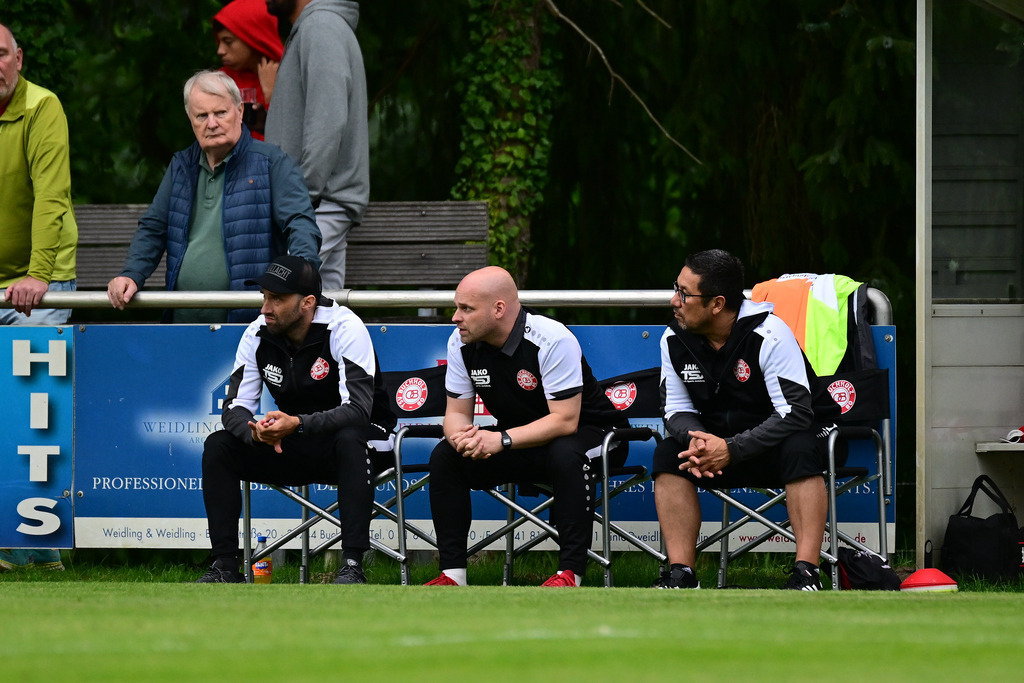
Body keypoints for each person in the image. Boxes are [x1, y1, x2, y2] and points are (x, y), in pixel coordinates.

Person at [197, 254, 396, 584]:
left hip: (363, 444)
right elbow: (233, 407)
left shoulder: (345, 327)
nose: (265, 308)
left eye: (276, 298)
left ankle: (352, 564)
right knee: (219, 445)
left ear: (307, 302)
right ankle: (225, 565)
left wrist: (298, 423)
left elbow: (359, 410)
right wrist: (256, 433)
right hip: (296, 442)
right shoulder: (258, 333)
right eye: (264, 297)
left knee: (350, 437)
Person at [424, 267, 627, 588]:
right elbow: (456, 414)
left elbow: (565, 420)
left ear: (499, 309)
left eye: (466, 309)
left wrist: (499, 440)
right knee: (446, 456)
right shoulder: (460, 341)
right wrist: (462, 438)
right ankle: (453, 575)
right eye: (456, 307)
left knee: (565, 451)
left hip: (597, 437)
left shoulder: (552, 339)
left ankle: (569, 574)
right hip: (520, 440)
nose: (455, 318)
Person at [651, 249, 829, 591]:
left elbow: (795, 412)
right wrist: (698, 440)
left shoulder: (770, 333)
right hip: (717, 449)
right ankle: (681, 574)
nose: (675, 300)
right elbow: (673, 408)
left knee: (800, 448)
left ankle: (807, 573)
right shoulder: (674, 338)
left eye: (685, 294)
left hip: (781, 442)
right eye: (676, 288)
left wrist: (732, 448)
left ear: (717, 304)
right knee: (667, 454)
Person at [106, 69, 322, 324]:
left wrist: (298, 278)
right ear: (190, 120)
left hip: (250, 324)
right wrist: (132, 274)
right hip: (182, 319)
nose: (212, 123)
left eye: (220, 112)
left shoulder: (272, 162)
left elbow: (300, 224)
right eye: (202, 115)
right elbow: (153, 229)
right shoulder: (181, 165)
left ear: (239, 111)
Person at [264, 0, 369, 291]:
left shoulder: (320, 26)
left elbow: (328, 122)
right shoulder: (317, 26)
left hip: (318, 205)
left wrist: (301, 196)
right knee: (323, 316)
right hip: (321, 204)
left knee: (282, 298)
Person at [0, 22, 77, 326]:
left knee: (31, 374)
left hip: (39, 283)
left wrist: (38, 275)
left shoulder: (42, 107)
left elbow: (50, 196)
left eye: (1, 54)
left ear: (18, 59)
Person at [213, 0, 283, 140]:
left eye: (228, 41)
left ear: (254, 37)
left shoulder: (289, 73)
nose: (220, 51)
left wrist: (271, 95)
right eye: (219, 42)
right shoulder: (221, 82)